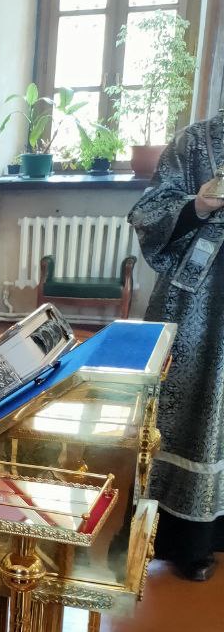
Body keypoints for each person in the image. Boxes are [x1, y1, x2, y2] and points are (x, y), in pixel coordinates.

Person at [129, 115, 224, 582]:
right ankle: (185, 538)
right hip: (197, 304)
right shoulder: (197, 140)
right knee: (187, 407)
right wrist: (199, 205)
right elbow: (149, 209)